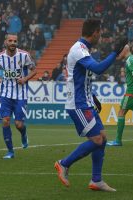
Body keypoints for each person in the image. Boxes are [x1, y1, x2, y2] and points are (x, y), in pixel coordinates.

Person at [54, 18, 127, 191]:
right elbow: (99, 69)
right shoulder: (78, 49)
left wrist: (93, 97)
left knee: (102, 139)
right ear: (95, 32)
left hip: (86, 101)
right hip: (78, 105)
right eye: (99, 33)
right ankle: (63, 164)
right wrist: (115, 52)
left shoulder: (83, 49)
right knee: (96, 140)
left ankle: (96, 180)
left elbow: (81, 78)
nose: (100, 36)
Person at [0, 33, 37, 159]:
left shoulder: (24, 55)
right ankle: (10, 151)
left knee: (19, 124)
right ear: (5, 42)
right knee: (5, 121)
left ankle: (23, 134)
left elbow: (34, 70)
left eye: (15, 41)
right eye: (10, 41)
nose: (13, 43)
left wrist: (24, 79)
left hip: (20, 94)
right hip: (5, 94)